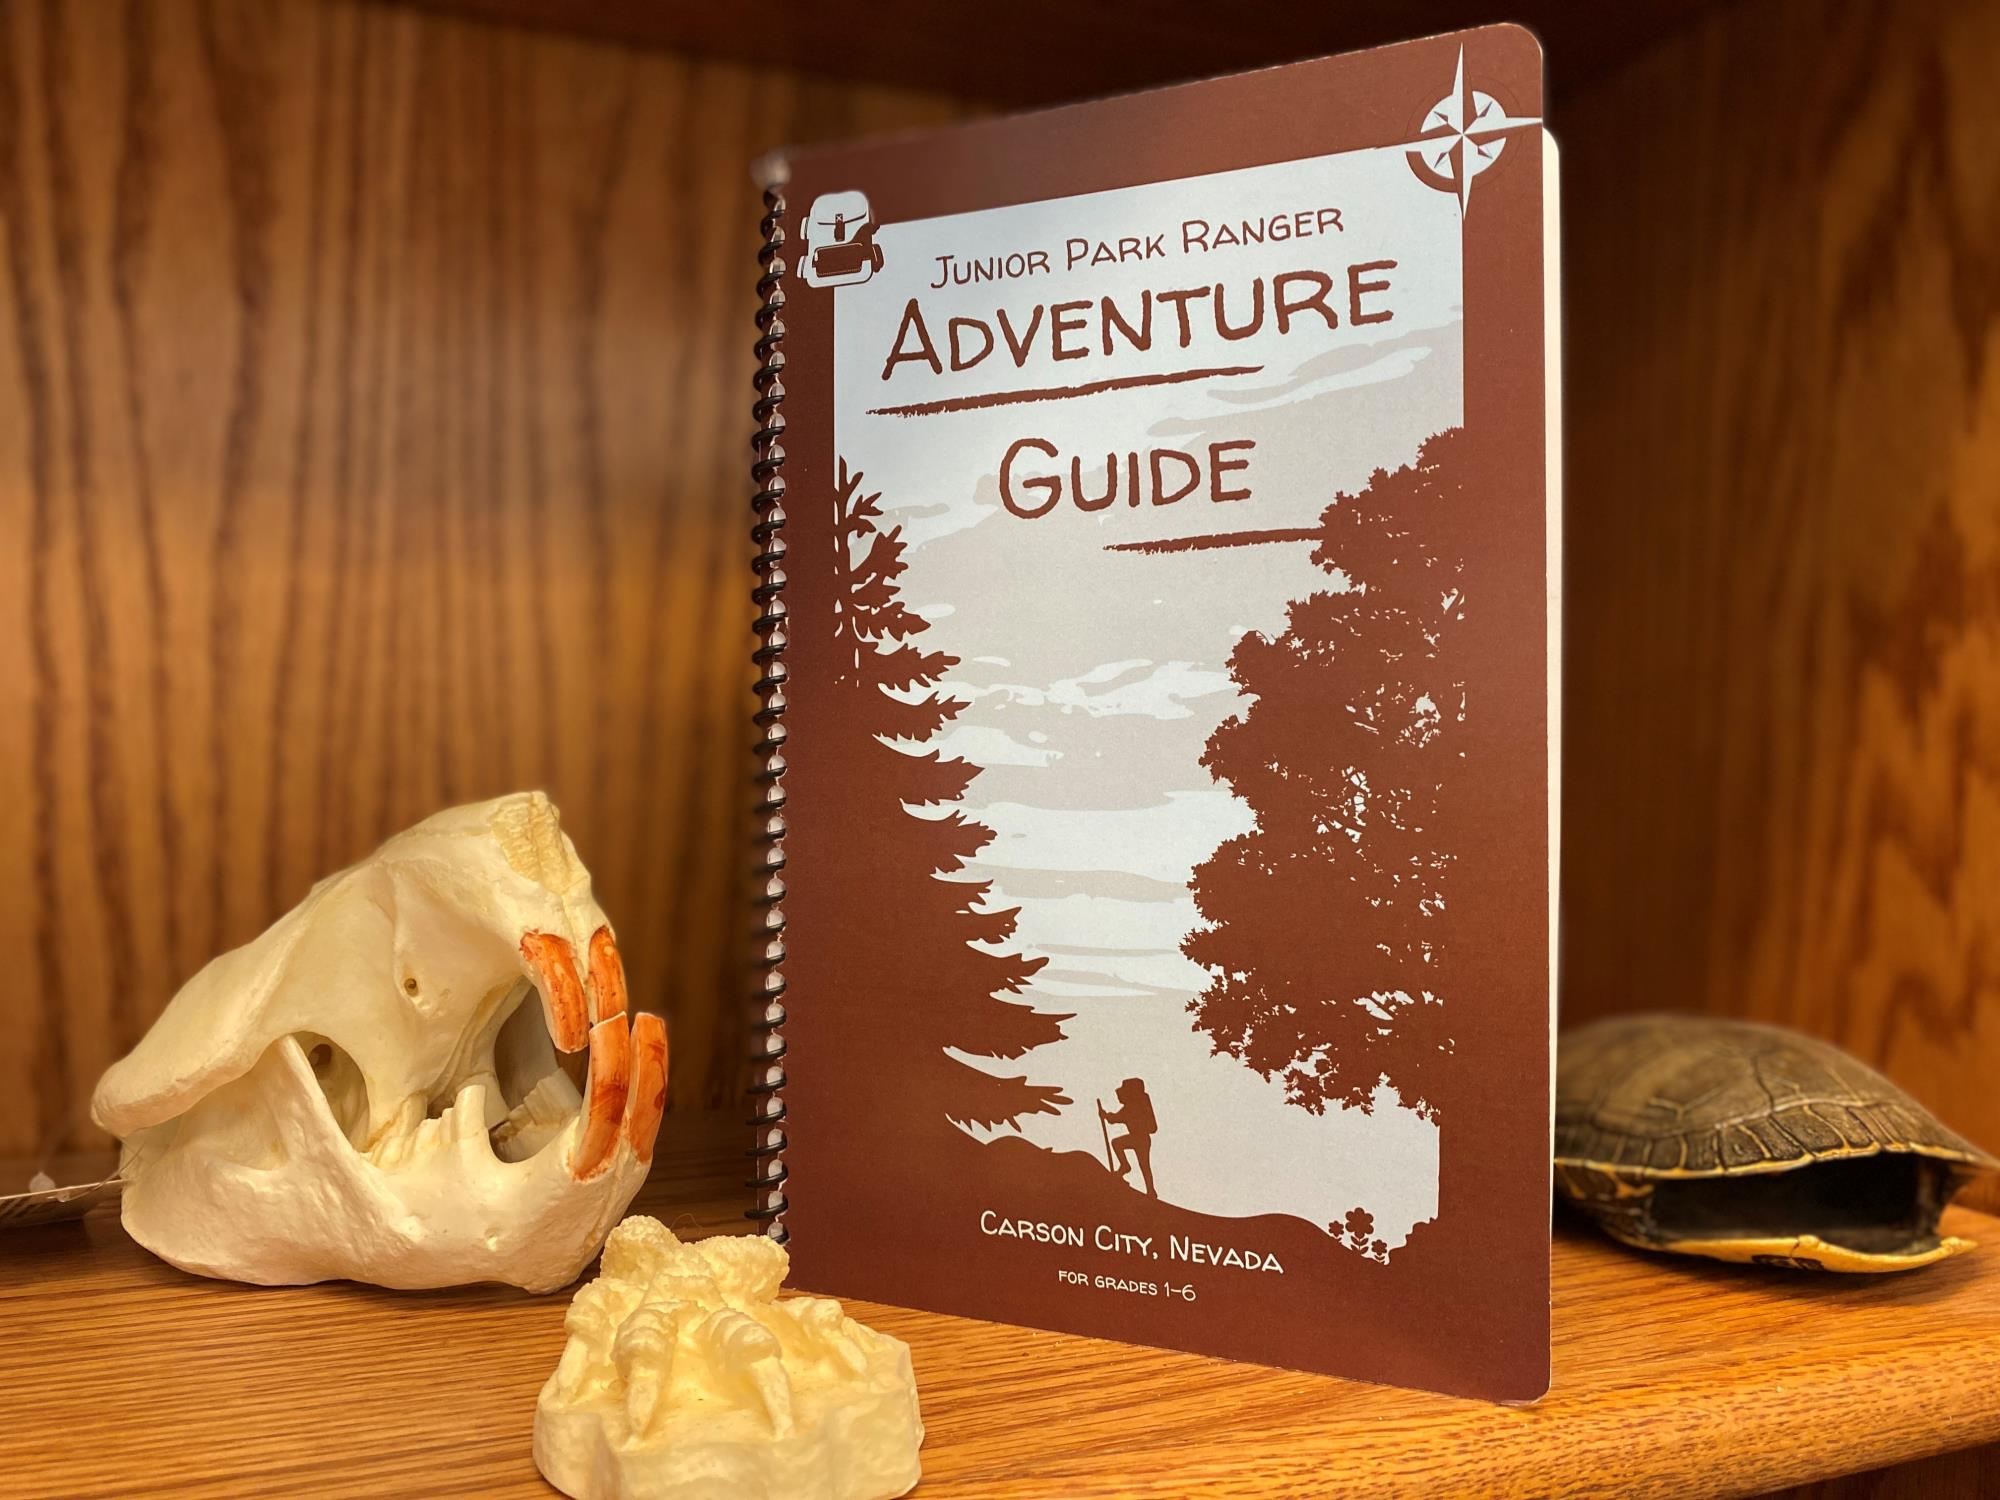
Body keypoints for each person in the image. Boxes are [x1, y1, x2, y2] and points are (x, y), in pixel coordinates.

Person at [1098, 1078, 1157, 1198]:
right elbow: (1115, 1118)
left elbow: (1115, 1118)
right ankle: (1125, 1166)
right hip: (1137, 1138)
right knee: (1117, 1143)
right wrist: (1105, 1115)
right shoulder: (1130, 1107)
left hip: (1141, 1139)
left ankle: (1150, 1190)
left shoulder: (1134, 1107)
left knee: (1144, 1165)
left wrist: (1105, 1115)